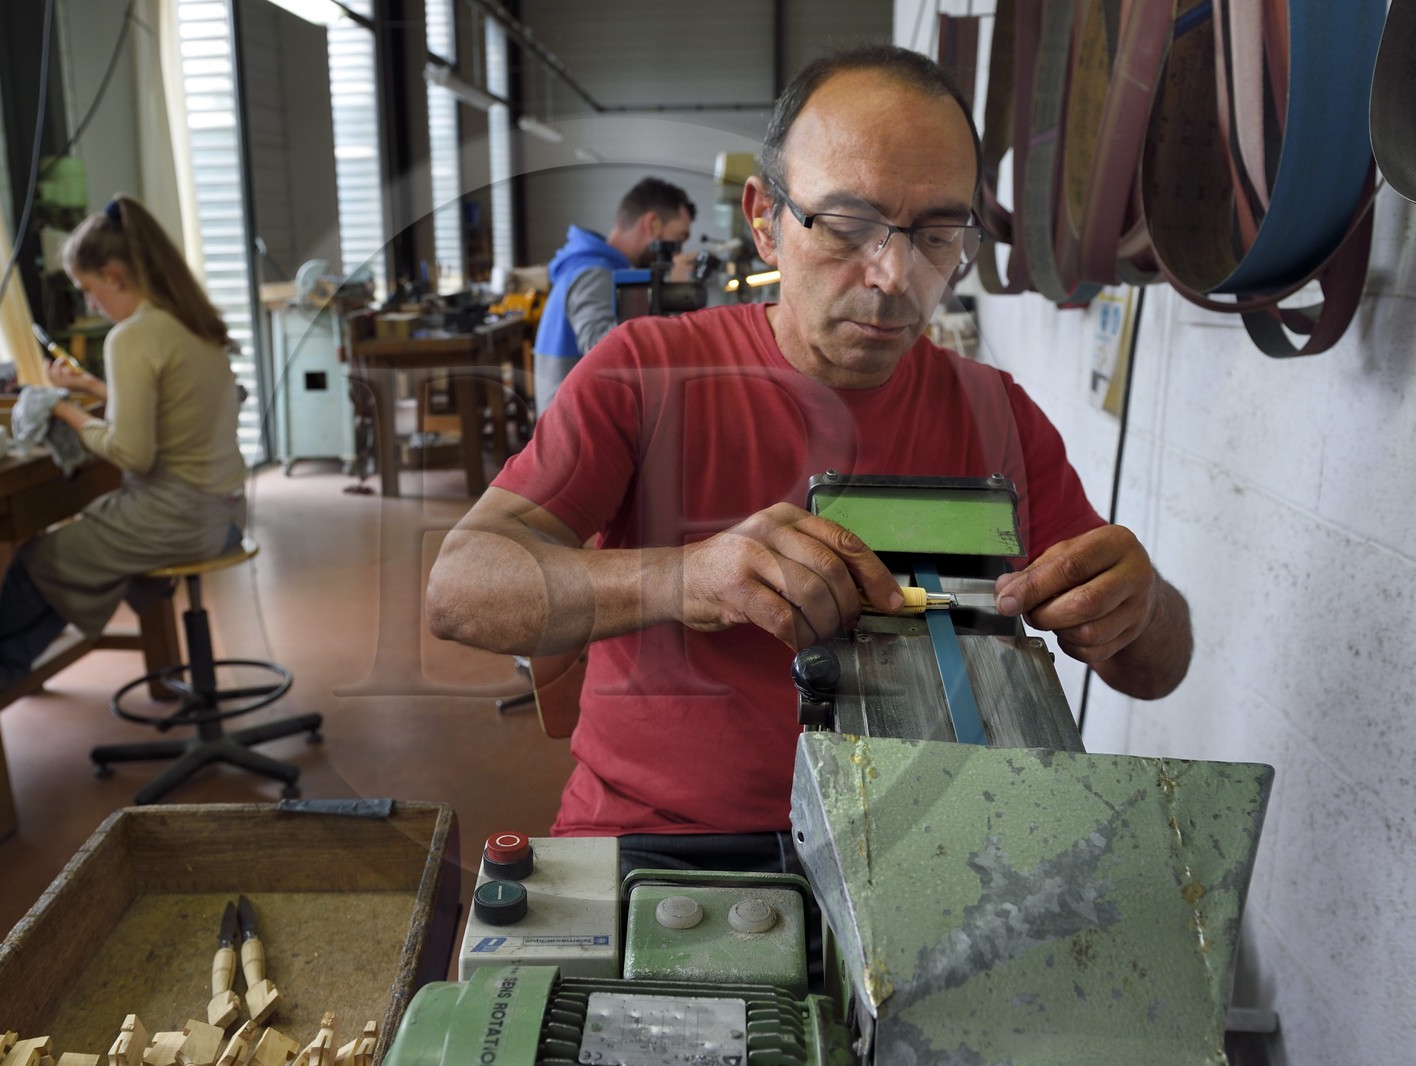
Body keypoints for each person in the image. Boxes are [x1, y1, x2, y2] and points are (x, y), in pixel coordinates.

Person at [426, 45, 1193, 874]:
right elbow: (462, 588)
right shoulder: (645, 375)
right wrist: (686, 578)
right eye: (848, 225)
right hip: (665, 847)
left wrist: (1138, 611)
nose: (895, 275)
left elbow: (1157, 673)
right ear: (766, 222)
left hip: (921, 853)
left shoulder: (997, 416)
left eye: (937, 233)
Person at [0, 195, 247, 687]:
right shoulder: (193, 321)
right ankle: (4, 670)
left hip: (178, 519)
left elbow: (132, 452)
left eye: (88, 289)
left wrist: (58, 406)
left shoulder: (132, 336)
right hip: (225, 513)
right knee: (74, 555)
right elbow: (177, 409)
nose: (90, 303)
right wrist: (96, 390)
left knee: (35, 562)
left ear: (114, 275)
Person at [533, 177, 696, 410]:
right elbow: (600, 348)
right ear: (652, 224)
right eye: (678, 238)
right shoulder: (593, 273)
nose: (677, 252)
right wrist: (670, 285)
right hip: (574, 431)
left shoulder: (608, 269)